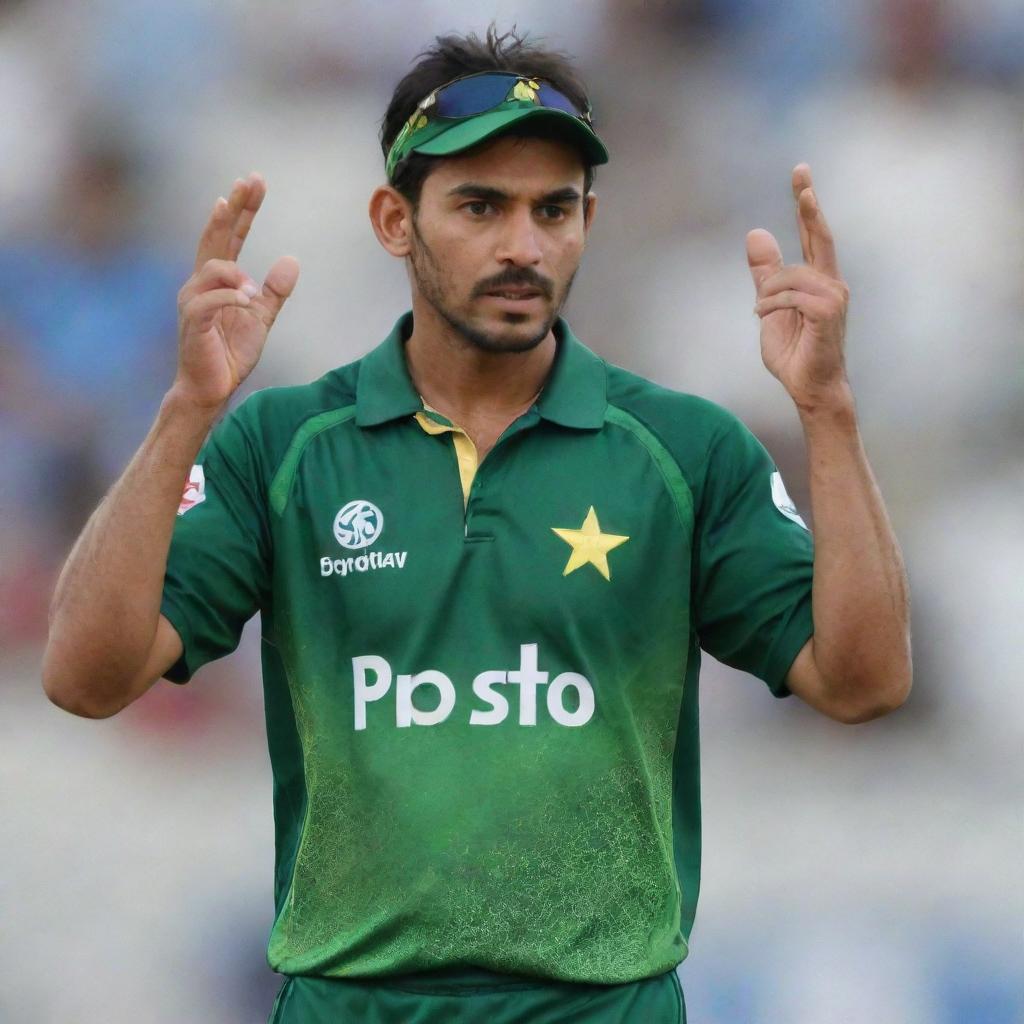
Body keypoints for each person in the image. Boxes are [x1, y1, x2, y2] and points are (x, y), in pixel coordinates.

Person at [42, 26, 912, 1024]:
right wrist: (185, 412)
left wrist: (829, 411)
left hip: (600, 1008)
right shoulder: (286, 445)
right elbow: (84, 676)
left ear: (589, 218)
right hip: (350, 1004)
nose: (523, 247)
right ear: (392, 220)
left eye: (554, 210)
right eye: (480, 207)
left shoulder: (681, 449)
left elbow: (864, 680)